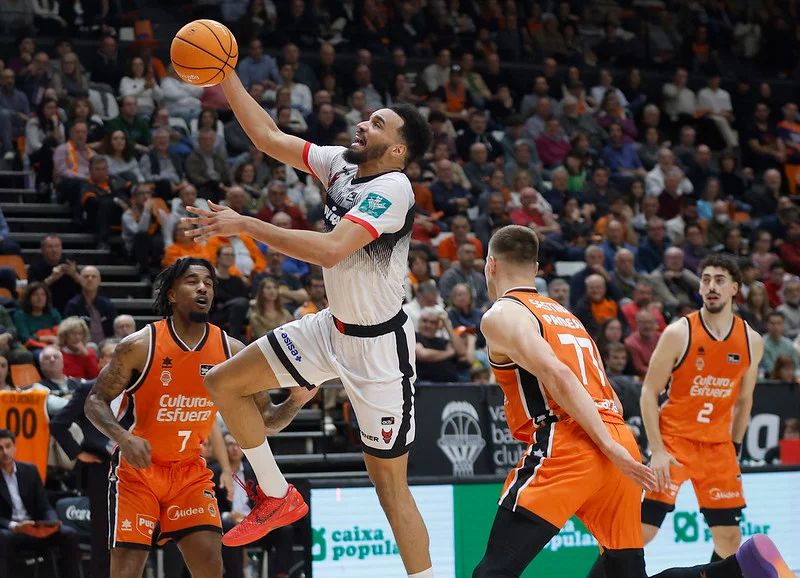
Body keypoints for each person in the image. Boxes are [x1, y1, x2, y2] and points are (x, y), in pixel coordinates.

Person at [182, 68, 436, 578]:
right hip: (330, 328)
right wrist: (225, 73)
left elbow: (330, 249)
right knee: (222, 382)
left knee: (390, 490)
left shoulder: (394, 189)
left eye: (378, 124)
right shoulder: (341, 163)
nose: (363, 124)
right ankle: (276, 496)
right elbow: (268, 137)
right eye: (368, 118)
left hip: (379, 351)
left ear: (397, 150)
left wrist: (246, 224)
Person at [473, 225, 790, 578]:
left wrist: (606, 447)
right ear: (535, 269)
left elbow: (558, 375)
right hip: (617, 436)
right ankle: (736, 571)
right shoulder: (567, 317)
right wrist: (615, 446)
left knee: (493, 571)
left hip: (573, 443)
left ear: (491, 265)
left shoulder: (502, 314)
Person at [84, 258, 241, 578]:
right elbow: (94, 401)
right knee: (127, 571)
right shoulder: (139, 345)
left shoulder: (231, 350)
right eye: (192, 281)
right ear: (171, 294)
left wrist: (295, 400)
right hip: (137, 473)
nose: (202, 288)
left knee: (211, 562)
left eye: (208, 283)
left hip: (189, 472)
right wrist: (124, 437)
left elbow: (264, 418)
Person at [638, 255, 764, 562]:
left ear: (735, 288)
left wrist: (734, 445)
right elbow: (648, 392)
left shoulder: (751, 340)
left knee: (730, 539)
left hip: (718, 447)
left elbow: (745, 399)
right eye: (705, 279)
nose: (711, 286)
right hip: (674, 442)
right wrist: (656, 450)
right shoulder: (678, 333)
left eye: (719, 280)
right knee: (640, 532)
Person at [0, 429, 82, 578]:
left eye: (8, 446)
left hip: (34, 528)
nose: (5, 452)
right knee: (3, 538)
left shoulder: (29, 470)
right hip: (10, 531)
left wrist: (51, 522)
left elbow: (44, 506)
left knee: (69, 534)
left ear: (15, 447)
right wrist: (15, 526)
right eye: (0, 448)